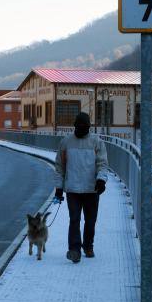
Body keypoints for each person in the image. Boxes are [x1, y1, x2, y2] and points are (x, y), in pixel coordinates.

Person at [54, 112, 108, 263]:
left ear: (89, 127)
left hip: (92, 189)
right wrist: (59, 187)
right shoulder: (65, 143)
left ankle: (88, 246)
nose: (81, 128)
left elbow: (102, 164)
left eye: (84, 126)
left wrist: (101, 180)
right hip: (73, 189)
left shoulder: (96, 142)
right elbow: (60, 167)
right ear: (74, 126)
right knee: (74, 220)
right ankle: (74, 249)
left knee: (90, 221)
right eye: (79, 126)